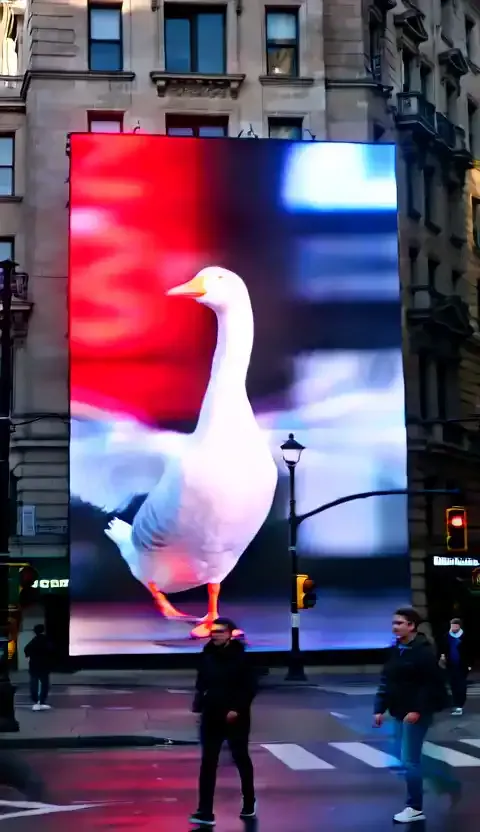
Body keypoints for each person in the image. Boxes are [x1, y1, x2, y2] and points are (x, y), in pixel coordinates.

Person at [373, 607, 448, 825]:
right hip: (399, 711)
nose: (395, 627)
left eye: (399, 623)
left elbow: (432, 685)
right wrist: (379, 708)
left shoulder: (423, 652)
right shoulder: (396, 649)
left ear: (411, 626)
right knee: (406, 759)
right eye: (394, 623)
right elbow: (387, 681)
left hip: (415, 713)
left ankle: (414, 807)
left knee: (410, 760)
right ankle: (415, 802)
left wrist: (417, 710)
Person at [190, 617, 257, 827]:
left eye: (221, 631)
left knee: (240, 758)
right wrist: (199, 705)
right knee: (208, 763)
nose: (216, 634)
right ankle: (205, 811)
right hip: (211, 715)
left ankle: (249, 801)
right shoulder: (207, 655)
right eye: (214, 631)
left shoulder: (241, 658)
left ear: (230, 634)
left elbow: (249, 687)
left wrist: (236, 709)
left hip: (235, 717)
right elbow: (201, 682)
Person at [440, 617, 472, 716]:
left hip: (462, 665)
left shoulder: (465, 637)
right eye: (452, 626)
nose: (453, 627)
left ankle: (460, 705)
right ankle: (455, 704)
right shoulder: (446, 636)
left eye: (455, 626)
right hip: (451, 664)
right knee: (453, 684)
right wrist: (442, 656)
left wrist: (470, 664)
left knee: (461, 685)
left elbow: (471, 651)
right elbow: (442, 648)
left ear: (459, 626)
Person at [24, 624, 53, 712]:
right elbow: (52, 651)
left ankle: (35, 698)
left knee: (34, 681)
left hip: (34, 664)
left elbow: (26, 650)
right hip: (44, 664)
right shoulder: (46, 640)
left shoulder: (34, 641)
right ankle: (42, 699)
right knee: (44, 682)